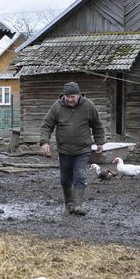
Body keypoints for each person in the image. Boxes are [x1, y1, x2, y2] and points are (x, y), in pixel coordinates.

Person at [40, 81, 105, 216]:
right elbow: (47, 125)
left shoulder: (88, 106)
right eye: (67, 97)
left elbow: (97, 125)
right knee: (65, 179)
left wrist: (100, 142)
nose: (69, 99)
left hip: (83, 149)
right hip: (64, 150)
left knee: (80, 176)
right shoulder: (57, 107)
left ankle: (78, 205)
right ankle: (69, 203)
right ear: (64, 96)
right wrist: (44, 142)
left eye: (72, 97)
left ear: (79, 95)